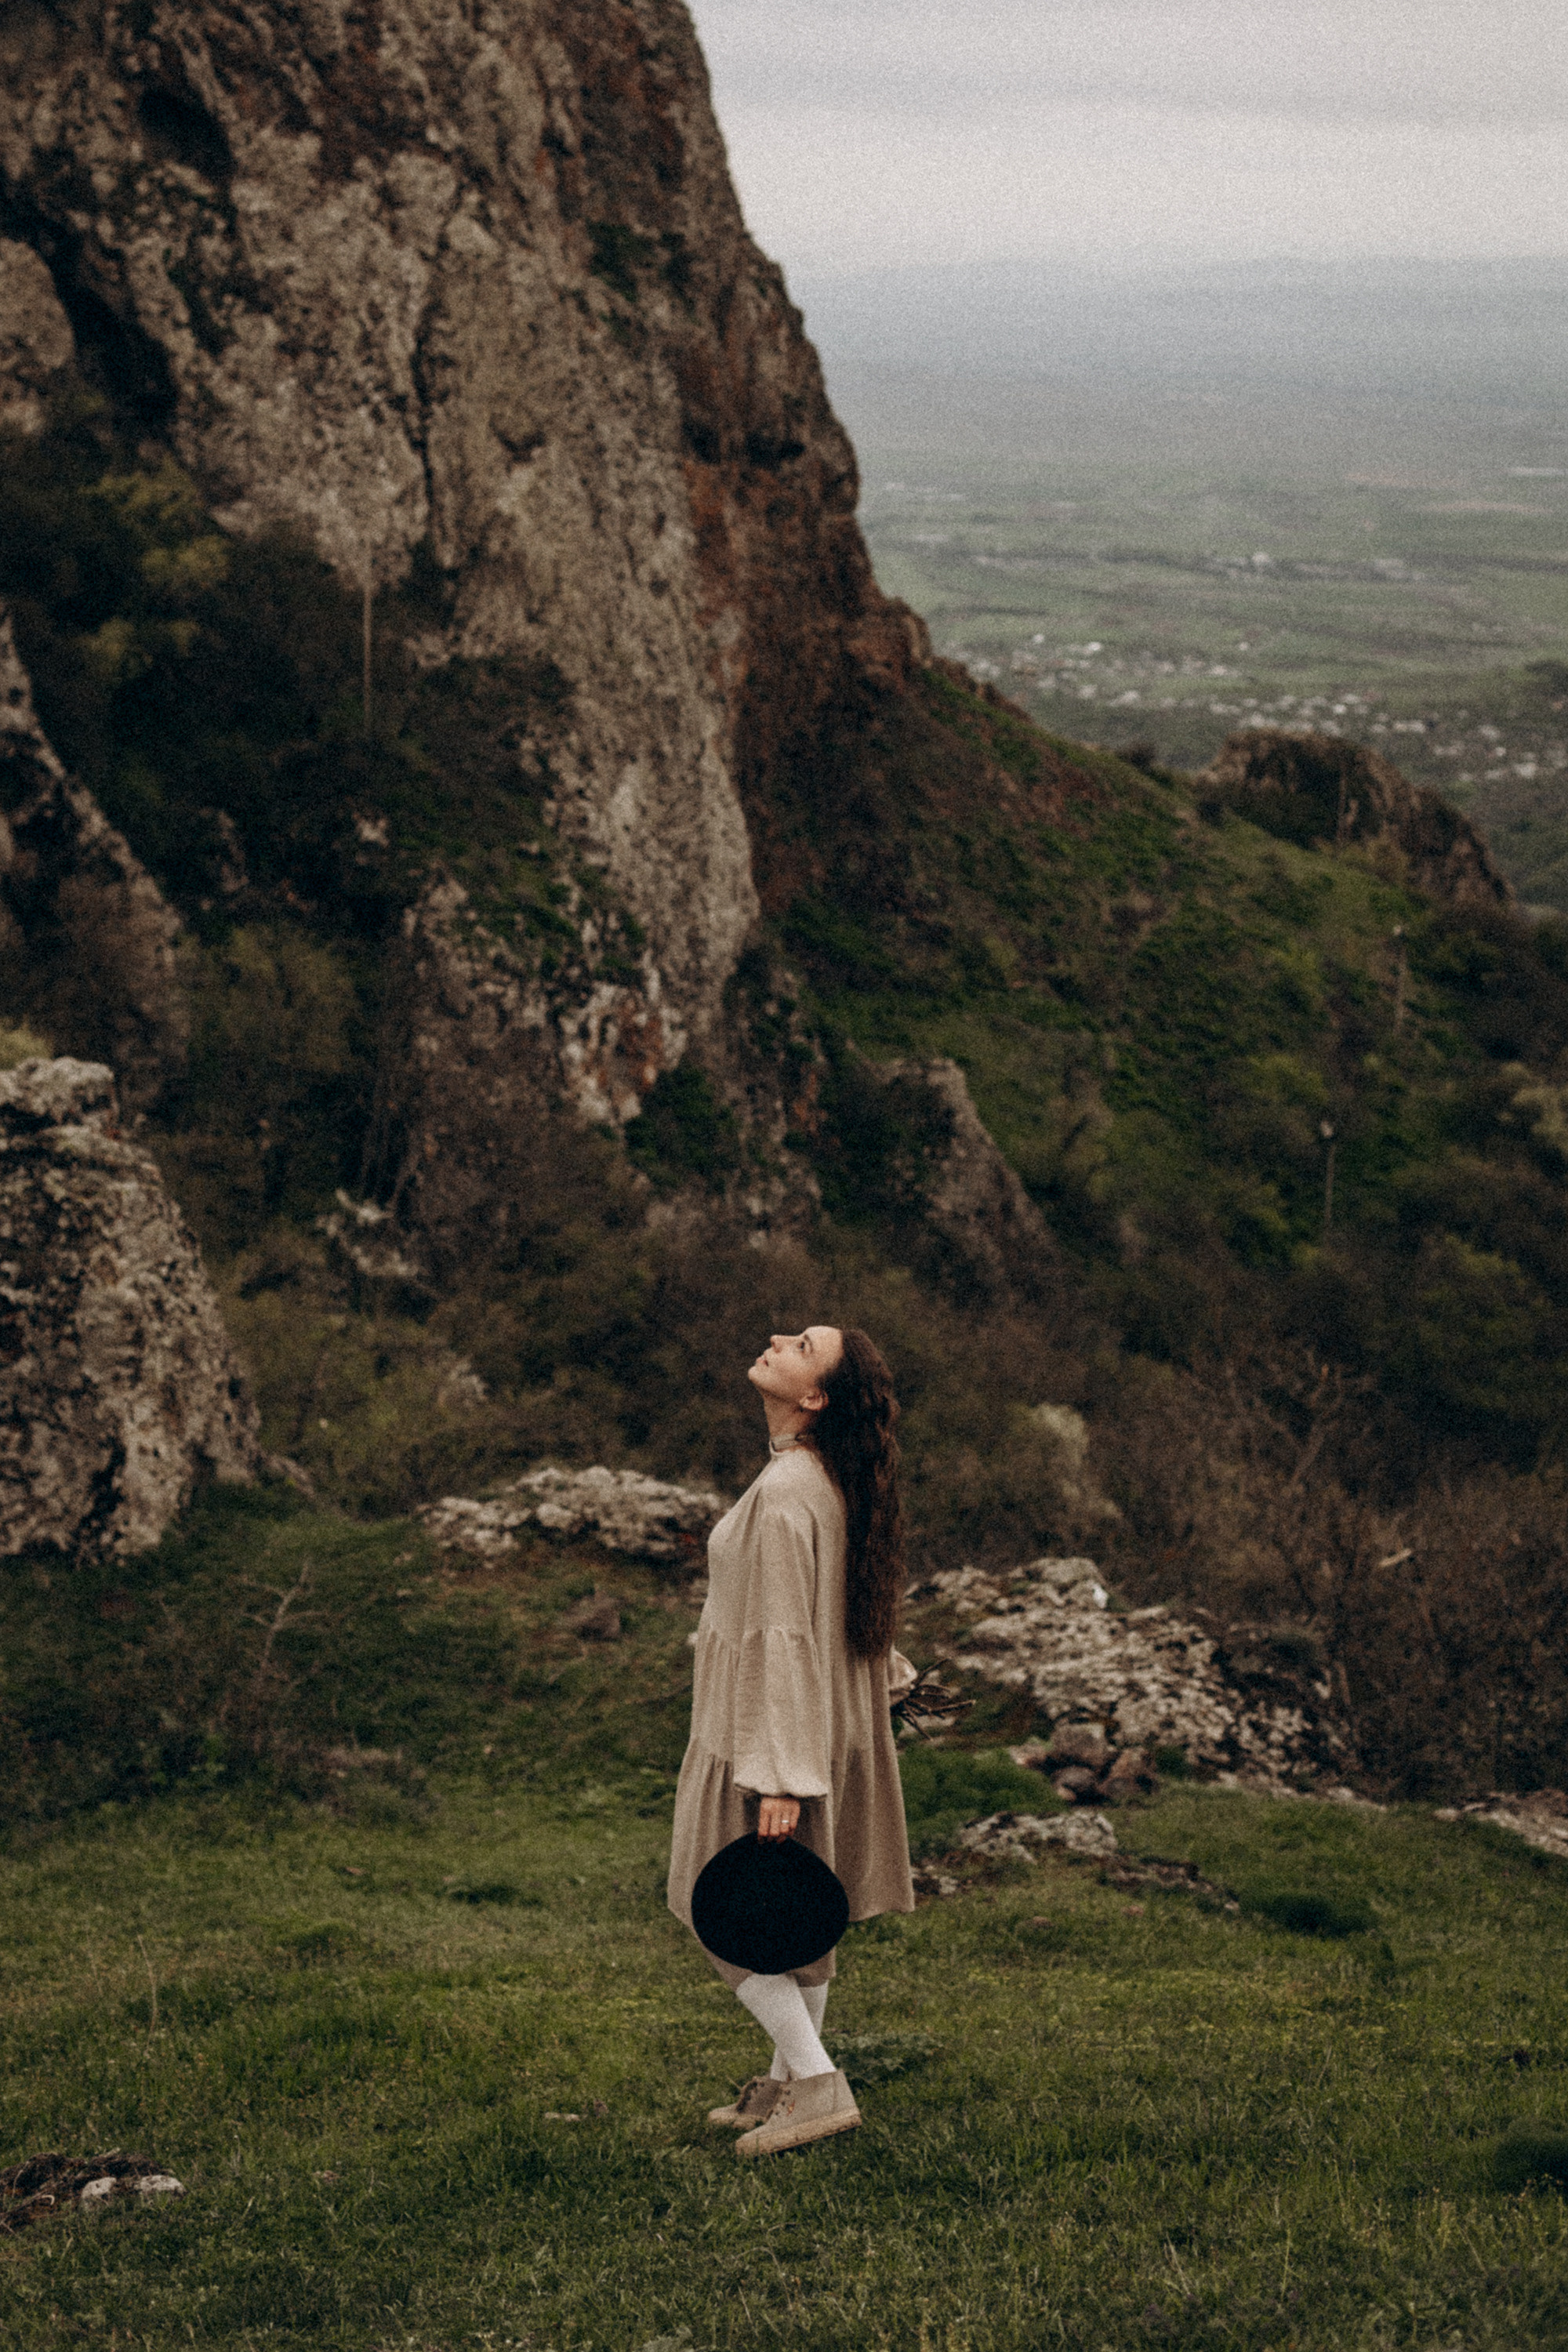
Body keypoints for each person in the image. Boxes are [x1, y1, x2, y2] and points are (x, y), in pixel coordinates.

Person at [667, 1323, 916, 2158]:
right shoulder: (821, 1479)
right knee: (796, 1916)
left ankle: (815, 2084)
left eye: (803, 1345)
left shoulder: (786, 1491)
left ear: (814, 1397)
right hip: (818, 1725)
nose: (777, 1339)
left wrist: (779, 1774)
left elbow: (783, 1632)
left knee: (713, 1907)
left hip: (769, 1736)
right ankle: (784, 2084)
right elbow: (835, 1607)